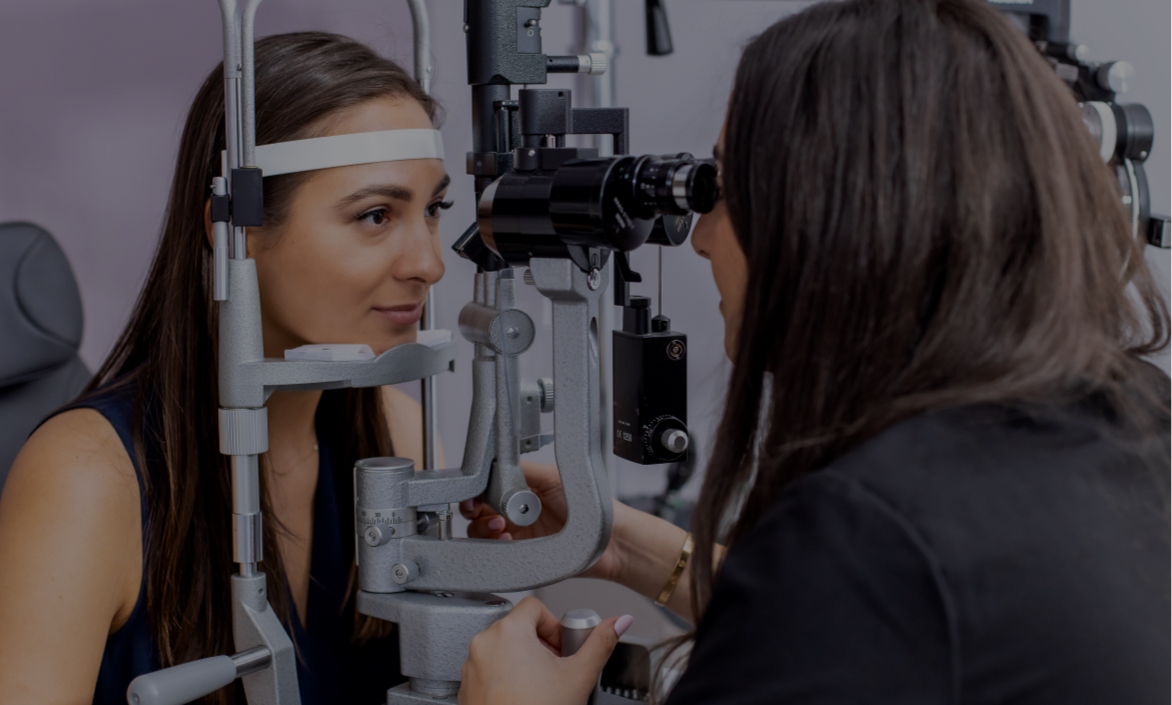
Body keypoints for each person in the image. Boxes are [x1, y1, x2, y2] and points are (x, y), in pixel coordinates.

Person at [455, 0, 1171, 703]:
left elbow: (857, 595)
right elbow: (902, 626)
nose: (700, 238)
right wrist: (627, 548)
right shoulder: (1133, 411)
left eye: (725, 189)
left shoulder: (860, 532)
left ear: (836, 218)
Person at [0, 33, 450, 705]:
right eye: (376, 215)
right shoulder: (88, 478)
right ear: (237, 232)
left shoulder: (398, 438)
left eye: (433, 210)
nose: (429, 263)